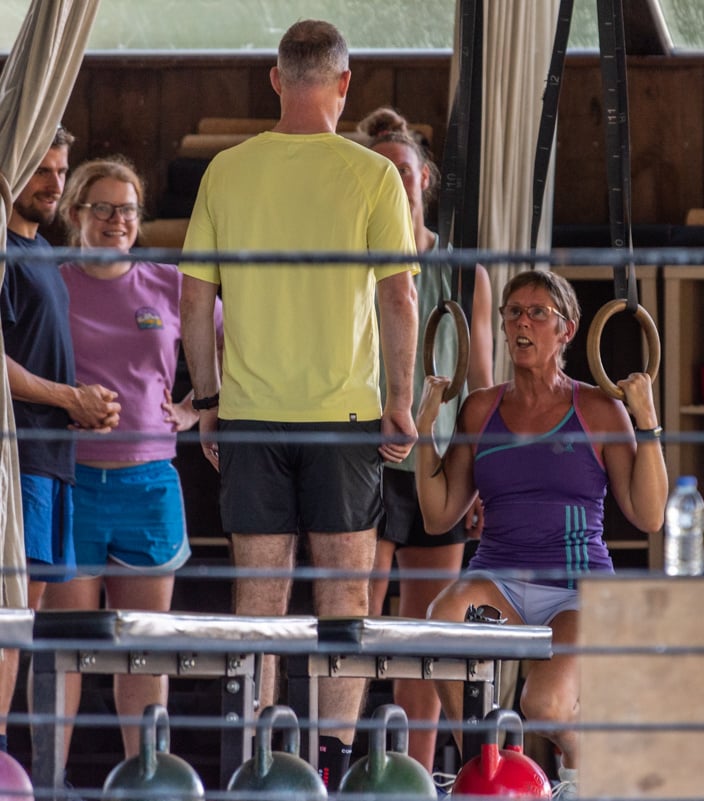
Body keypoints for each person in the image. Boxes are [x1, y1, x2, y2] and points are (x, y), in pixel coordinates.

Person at [179, 20, 419, 788]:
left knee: (259, 603)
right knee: (344, 600)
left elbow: (193, 302)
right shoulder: (374, 175)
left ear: (276, 81)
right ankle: (339, 766)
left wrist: (210, 400)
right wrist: (402, 403)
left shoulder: (226, 170)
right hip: (346, 417)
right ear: (344, 85)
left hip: (250, 415)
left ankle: (259, 769)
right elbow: (401, 299)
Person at [414, 269, 668, 793]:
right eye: (513, 313)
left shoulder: (599, 410)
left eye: (537, 313)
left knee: (545, 707)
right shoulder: (481, 409)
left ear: (567, 331)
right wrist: (422, 433)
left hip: (578, 586)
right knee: (441, 623)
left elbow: (649, 515)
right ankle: (484, 771)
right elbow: (440, 516)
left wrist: (647, 423)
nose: (522, 322)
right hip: (498, 578)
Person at [40, 157, 221, 765]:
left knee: (142, 652)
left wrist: (199, 408)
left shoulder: (167, 283)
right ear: (75, 214)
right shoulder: (52, 283)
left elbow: (237, 339)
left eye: (128, 209)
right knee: (66, 651)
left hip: (148, 485)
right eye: (103, 208)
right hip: (71, 481)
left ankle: (147, 779)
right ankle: (47, 780)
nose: (117, 219)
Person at [358, 107, 494, 772]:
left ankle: (413, 772)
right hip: (366, 462)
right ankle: (333, 759)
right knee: (351, 613)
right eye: (379, 173)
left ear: (425, 180)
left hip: (441, 468)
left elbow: (484, 391)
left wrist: (482, 478)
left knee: (427, 627)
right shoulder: (350, 269)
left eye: (403, 172)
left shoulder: (464, 273)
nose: (395, 183)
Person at [0, 128, 121, 755]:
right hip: (15, 465)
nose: (52, 183)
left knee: (25, 623)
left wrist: (81, 406)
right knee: (8, 616)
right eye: (40, 170)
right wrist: (69, 398)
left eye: (61, 169)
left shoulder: (42, 251)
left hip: (51, 461)